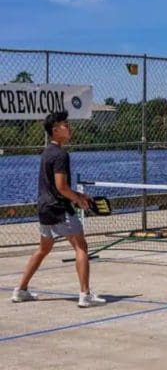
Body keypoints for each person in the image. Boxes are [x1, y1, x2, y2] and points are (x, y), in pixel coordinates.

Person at [11, 111, 106, 308]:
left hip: (44, 209)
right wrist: (79, 200)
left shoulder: (46, 152)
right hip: (59, 209)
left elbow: (55, 187)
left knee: (43, 249)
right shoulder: (61, 155)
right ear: (55, 131)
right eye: (65, 125)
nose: (69, 127)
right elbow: (61, 187)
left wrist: (79, 197)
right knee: (81, 246)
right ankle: (85, 295)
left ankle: (20, 290)